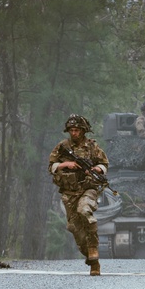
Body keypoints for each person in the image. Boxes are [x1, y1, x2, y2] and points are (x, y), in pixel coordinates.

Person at [48, 114, 109, 276]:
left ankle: (94, 253)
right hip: (69, 192)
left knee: (84, 210)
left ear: (83, 131)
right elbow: (51, 166)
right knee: (74, 227)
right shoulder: (62, 146)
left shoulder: (92, 147)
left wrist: (97, 169)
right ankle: (91, 257)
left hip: (88, 189)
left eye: (77, 130)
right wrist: (65, 164)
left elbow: (104, 164)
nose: (74, 133)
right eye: (72, 130)